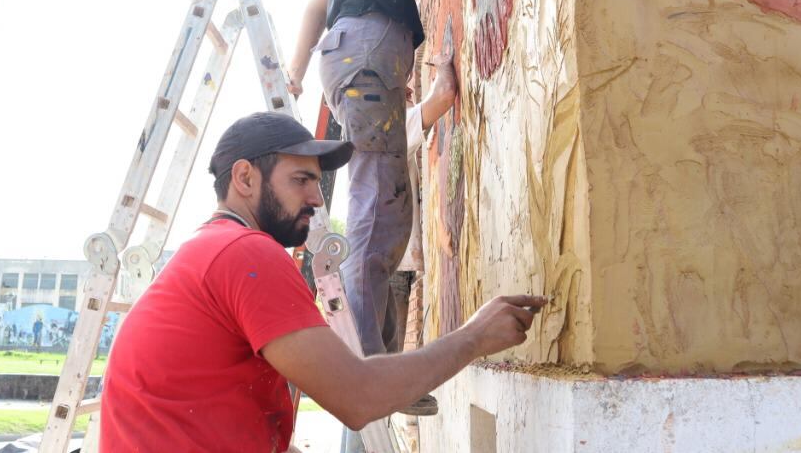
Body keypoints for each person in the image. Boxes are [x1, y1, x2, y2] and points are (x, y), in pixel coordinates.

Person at [100, 112, 544, 453]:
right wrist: (474, 338)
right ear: (244, 177)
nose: (316, 197)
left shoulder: (214, 249)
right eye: (301, 180)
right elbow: (357, 396)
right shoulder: (246, 254)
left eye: (317, 180)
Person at [285, 0, 485, 390]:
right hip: (366, 55)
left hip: (365, 57)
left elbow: (316, 6)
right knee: (377, 205)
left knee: (390, 211)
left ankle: (376, 355)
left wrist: (296, 73)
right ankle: (367, 364)